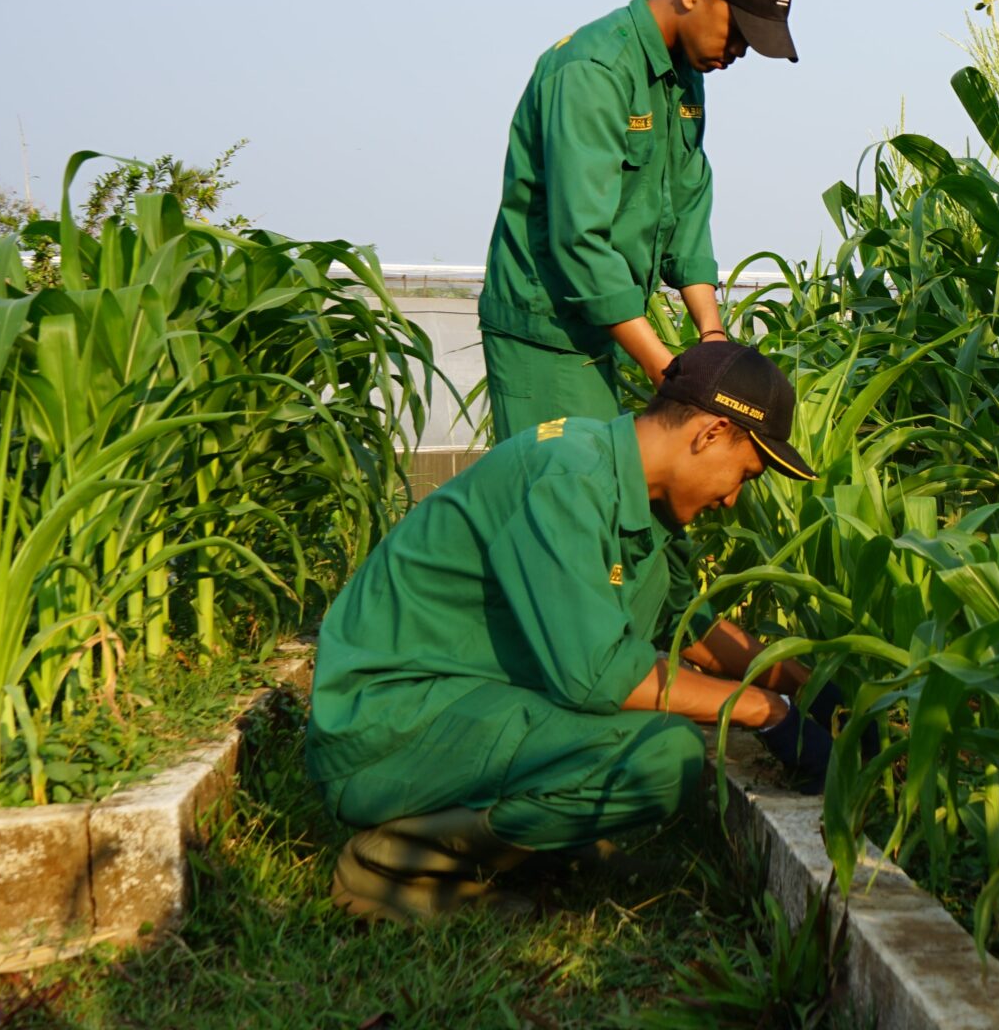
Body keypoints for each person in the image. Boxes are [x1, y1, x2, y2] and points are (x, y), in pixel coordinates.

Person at [305, 341, 826, 922]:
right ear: (710, 434)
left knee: (656, 731)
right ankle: (390, 868)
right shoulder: (569, 479)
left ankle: (536, 849)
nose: (732, 498)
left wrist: (801, 678)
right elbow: (597, 675)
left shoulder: (628, 487)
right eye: (744, 474)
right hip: (386, 727)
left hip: (454, 701)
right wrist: (765, 711)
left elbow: (686, 625)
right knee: (662, 753)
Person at [477, 0, 799, 440]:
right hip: (547, 331)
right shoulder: (593, 70)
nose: (739, 51)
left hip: (609, 327)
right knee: (568, 498)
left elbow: (688, 207)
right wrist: (663, 367)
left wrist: (711, 336)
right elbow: (578, 238)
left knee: (608, 496)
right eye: (737, 31)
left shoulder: (687, 73)